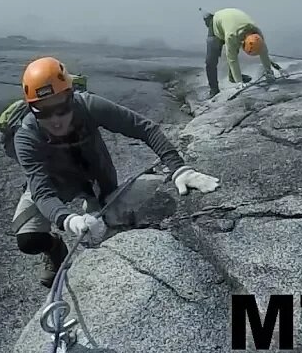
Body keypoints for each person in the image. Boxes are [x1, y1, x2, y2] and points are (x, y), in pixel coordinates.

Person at [11, 56, 221, 286]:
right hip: (54, 182)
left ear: (71, 97)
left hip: (94, 176)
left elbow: (143, 128)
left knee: (102, 231)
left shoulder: (89, 106)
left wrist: (180, 168)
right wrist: (67, 219)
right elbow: (42, 193)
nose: (55, 119)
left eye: (61, 107)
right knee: (28, 240)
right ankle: (54, 248)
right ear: (32, 108)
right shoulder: (26, 137)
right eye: (43, 111)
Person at [203, 8, 277, 96]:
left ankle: (233, 77)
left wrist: (269, 71)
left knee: (234, 47)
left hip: (231, 23)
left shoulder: (257, 33)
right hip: (216, 25)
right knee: (211, 60)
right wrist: (239, 82)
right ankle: (214, 89)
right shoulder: (231, 36)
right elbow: (232, 59)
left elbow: (263, 51)